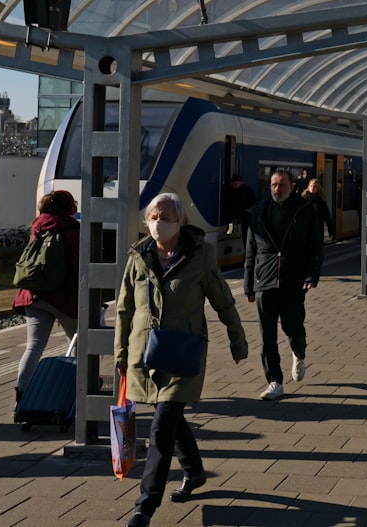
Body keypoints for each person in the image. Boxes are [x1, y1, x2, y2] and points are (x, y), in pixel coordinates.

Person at [114, 192, 248, 527]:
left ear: (181, 220)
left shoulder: (200, 255)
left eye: (165, 215)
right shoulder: (138, 256)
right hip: (146, 354)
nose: (158, 222)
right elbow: (124, 309)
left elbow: (223, 299)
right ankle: (195, 471)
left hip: (183, 354)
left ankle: (144, 507)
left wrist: (237, 338)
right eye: (153, 216)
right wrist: (119, 353)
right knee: (170, 417)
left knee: (161, 427)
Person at [244, 169, 322, 401]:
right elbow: (250, 251)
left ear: (291, 186)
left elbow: (315, 247)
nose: (277, 189)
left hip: (293, 280)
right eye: (273, 185)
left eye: (281, 185)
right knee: (267, 335)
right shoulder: (258, 212)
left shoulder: (304, 210)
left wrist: (311, 276)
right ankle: (275, 381)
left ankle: (299, 353)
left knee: (293, 327)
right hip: (264, 281)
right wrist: (248, 285)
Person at [12, 190, 80, 415]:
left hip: (35, 295)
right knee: (81, 346)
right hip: (64, 298)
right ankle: (81, 393)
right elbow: (78, 270)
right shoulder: (73, 231)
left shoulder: (38, 228)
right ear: (69, 207)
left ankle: (21, 397)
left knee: (33, 346)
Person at [224, 173, 256, 249]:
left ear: (241, 182)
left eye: (236, 182)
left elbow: (253, 204)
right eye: (233, 182)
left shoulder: (246, 191)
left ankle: (247, 254)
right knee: (232, 232)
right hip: (233, 219)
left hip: (245, 219)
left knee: (247, 238)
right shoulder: (230, 192)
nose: (235, 184)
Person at [302, 177, 335, 244]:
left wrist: (331, 231)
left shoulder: (321, 200)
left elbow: (327, 216)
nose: (312, 188)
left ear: (318, 188)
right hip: (305, 229)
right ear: (308, 186)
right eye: (311, 186)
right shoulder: (303, 199)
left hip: (318, 229)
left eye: (314, 187)